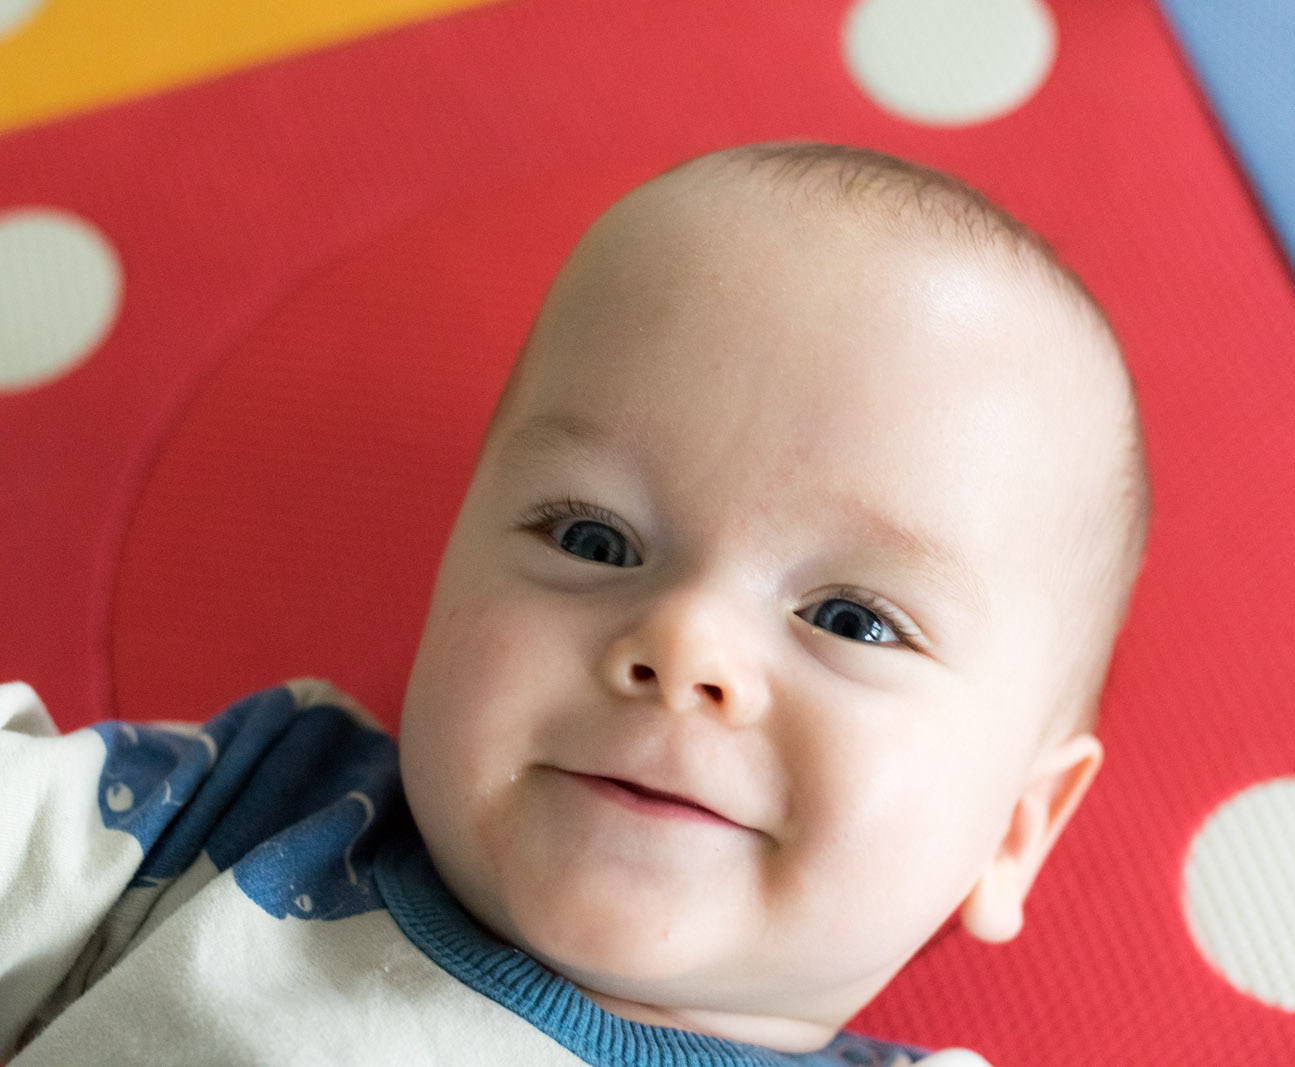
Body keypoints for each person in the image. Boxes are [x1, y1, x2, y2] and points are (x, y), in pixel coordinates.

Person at [0, 142, 1149, 1065]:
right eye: (594, 539)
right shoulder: (246, 810)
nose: (686, 640)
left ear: (1015, 828)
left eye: (850, 619)